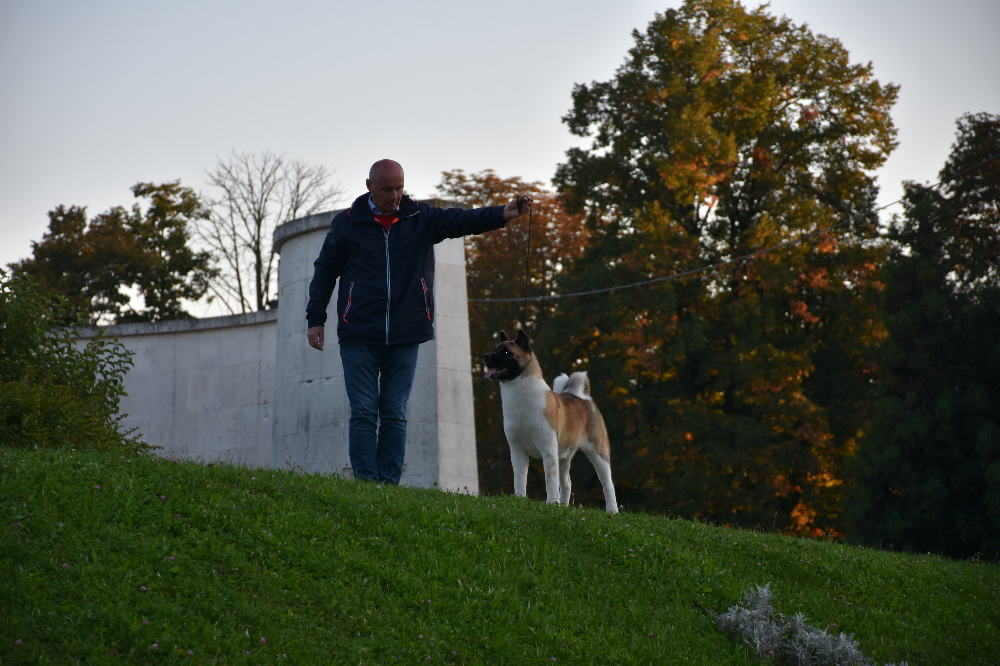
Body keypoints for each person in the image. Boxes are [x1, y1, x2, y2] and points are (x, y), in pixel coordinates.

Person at [306, 159, 531, 484]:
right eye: (387, 189)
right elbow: (325, 271)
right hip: (358, 333)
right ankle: (366, 484)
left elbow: (462, 220)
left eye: (399, 188)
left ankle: (389, 485)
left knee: (395, 413)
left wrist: (503, 214)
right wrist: (316, 319)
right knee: (364, 411)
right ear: (369, 186)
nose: (395, 195)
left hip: (406, 332)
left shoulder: (420, 218)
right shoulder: (348, 223)